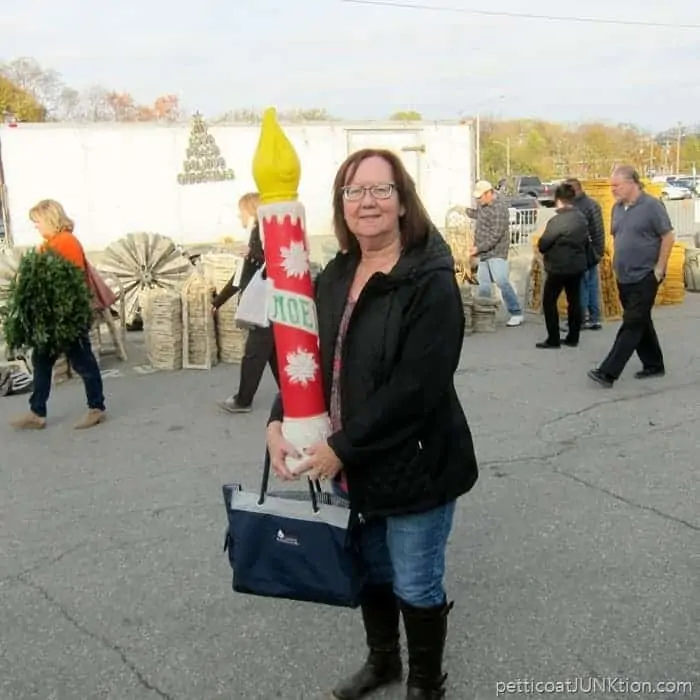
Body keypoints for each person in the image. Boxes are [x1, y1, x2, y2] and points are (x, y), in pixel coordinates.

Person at [266, 148, 478, 700]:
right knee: (372, 570)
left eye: (381, 190)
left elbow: (417, 388)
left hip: (414, 465)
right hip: (352, 464)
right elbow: (304, 355)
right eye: (354, 191)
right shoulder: (336, 273)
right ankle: (384, 662)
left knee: (414, 580)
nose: (367, 202)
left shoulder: (427, 279)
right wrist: (278, 422)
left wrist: (342, 447)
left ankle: (426, 683)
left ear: (403, 201)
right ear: (341, 204)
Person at [10, 199, 106, 430]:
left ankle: (97, 408)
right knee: (41, 361)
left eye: (38, 221)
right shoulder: (47, 244)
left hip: (68, 316)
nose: (36, 226)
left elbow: (69, 279)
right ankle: (37, 412)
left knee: (83, 362)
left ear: (50, 218)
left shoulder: (66, 242)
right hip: (51, 318)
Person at [588, 166, 674, 388]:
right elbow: (618, 237)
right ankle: (654, 364)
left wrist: (659, 269)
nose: (613, 190)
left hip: (646, 275)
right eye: (611, 186)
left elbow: (668, 236)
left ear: (632, 183)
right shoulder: (617, 209)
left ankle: (608, 372)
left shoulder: (652, 206)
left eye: (616, 185)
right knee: (641, 320)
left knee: (632, 323)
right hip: (624, 276)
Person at [213, 192, 279, 413]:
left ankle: (243, 401)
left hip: (264, 305)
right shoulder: (254, 235)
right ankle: (292, 398)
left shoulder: (263, 234)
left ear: (251, 211)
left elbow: (273, 264)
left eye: (240, 210)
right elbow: (241, 274)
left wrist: (252, 255)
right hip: (263, 305)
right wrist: (218, 300)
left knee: (254, 354)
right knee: (270, 353)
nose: (237, 215)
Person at [536, 183, 590, 349]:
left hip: (558, 267)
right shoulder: (581, 218)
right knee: (574, 300)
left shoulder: (557, 221)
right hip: (577, 265)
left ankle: (553, 338)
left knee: (549, 301)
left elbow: (544, 244)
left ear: (558, 200)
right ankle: (573, 337)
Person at [466, 180, 523, 327]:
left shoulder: (499, 209)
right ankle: (485, 314)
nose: (478, 200)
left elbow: (495, 235)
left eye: (480, 197)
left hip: (496, 252)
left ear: (489, 193)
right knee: (483, 284)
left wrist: (478, 249)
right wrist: (464, 211)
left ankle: (516, 312)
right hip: (484, 252)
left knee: (501, 281)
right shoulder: (484, 205)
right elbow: (478, 214)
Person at [565, 178, 605, 330]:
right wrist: (598, 252)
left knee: (580, 286)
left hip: (581, 252)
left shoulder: (578, 207)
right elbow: (599, 231)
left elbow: (595, 231)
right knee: (591, 285)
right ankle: (594, 318)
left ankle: (580, 319)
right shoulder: (591, 204)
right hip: (590, 252)